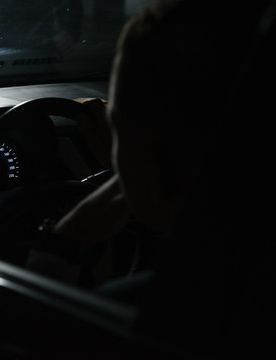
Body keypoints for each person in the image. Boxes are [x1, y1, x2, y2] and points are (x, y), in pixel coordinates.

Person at [28, 0, 273, 357]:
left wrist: (57, 246)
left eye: (118, 130)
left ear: (150, 155)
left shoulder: (139, 315)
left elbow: (28, 334)